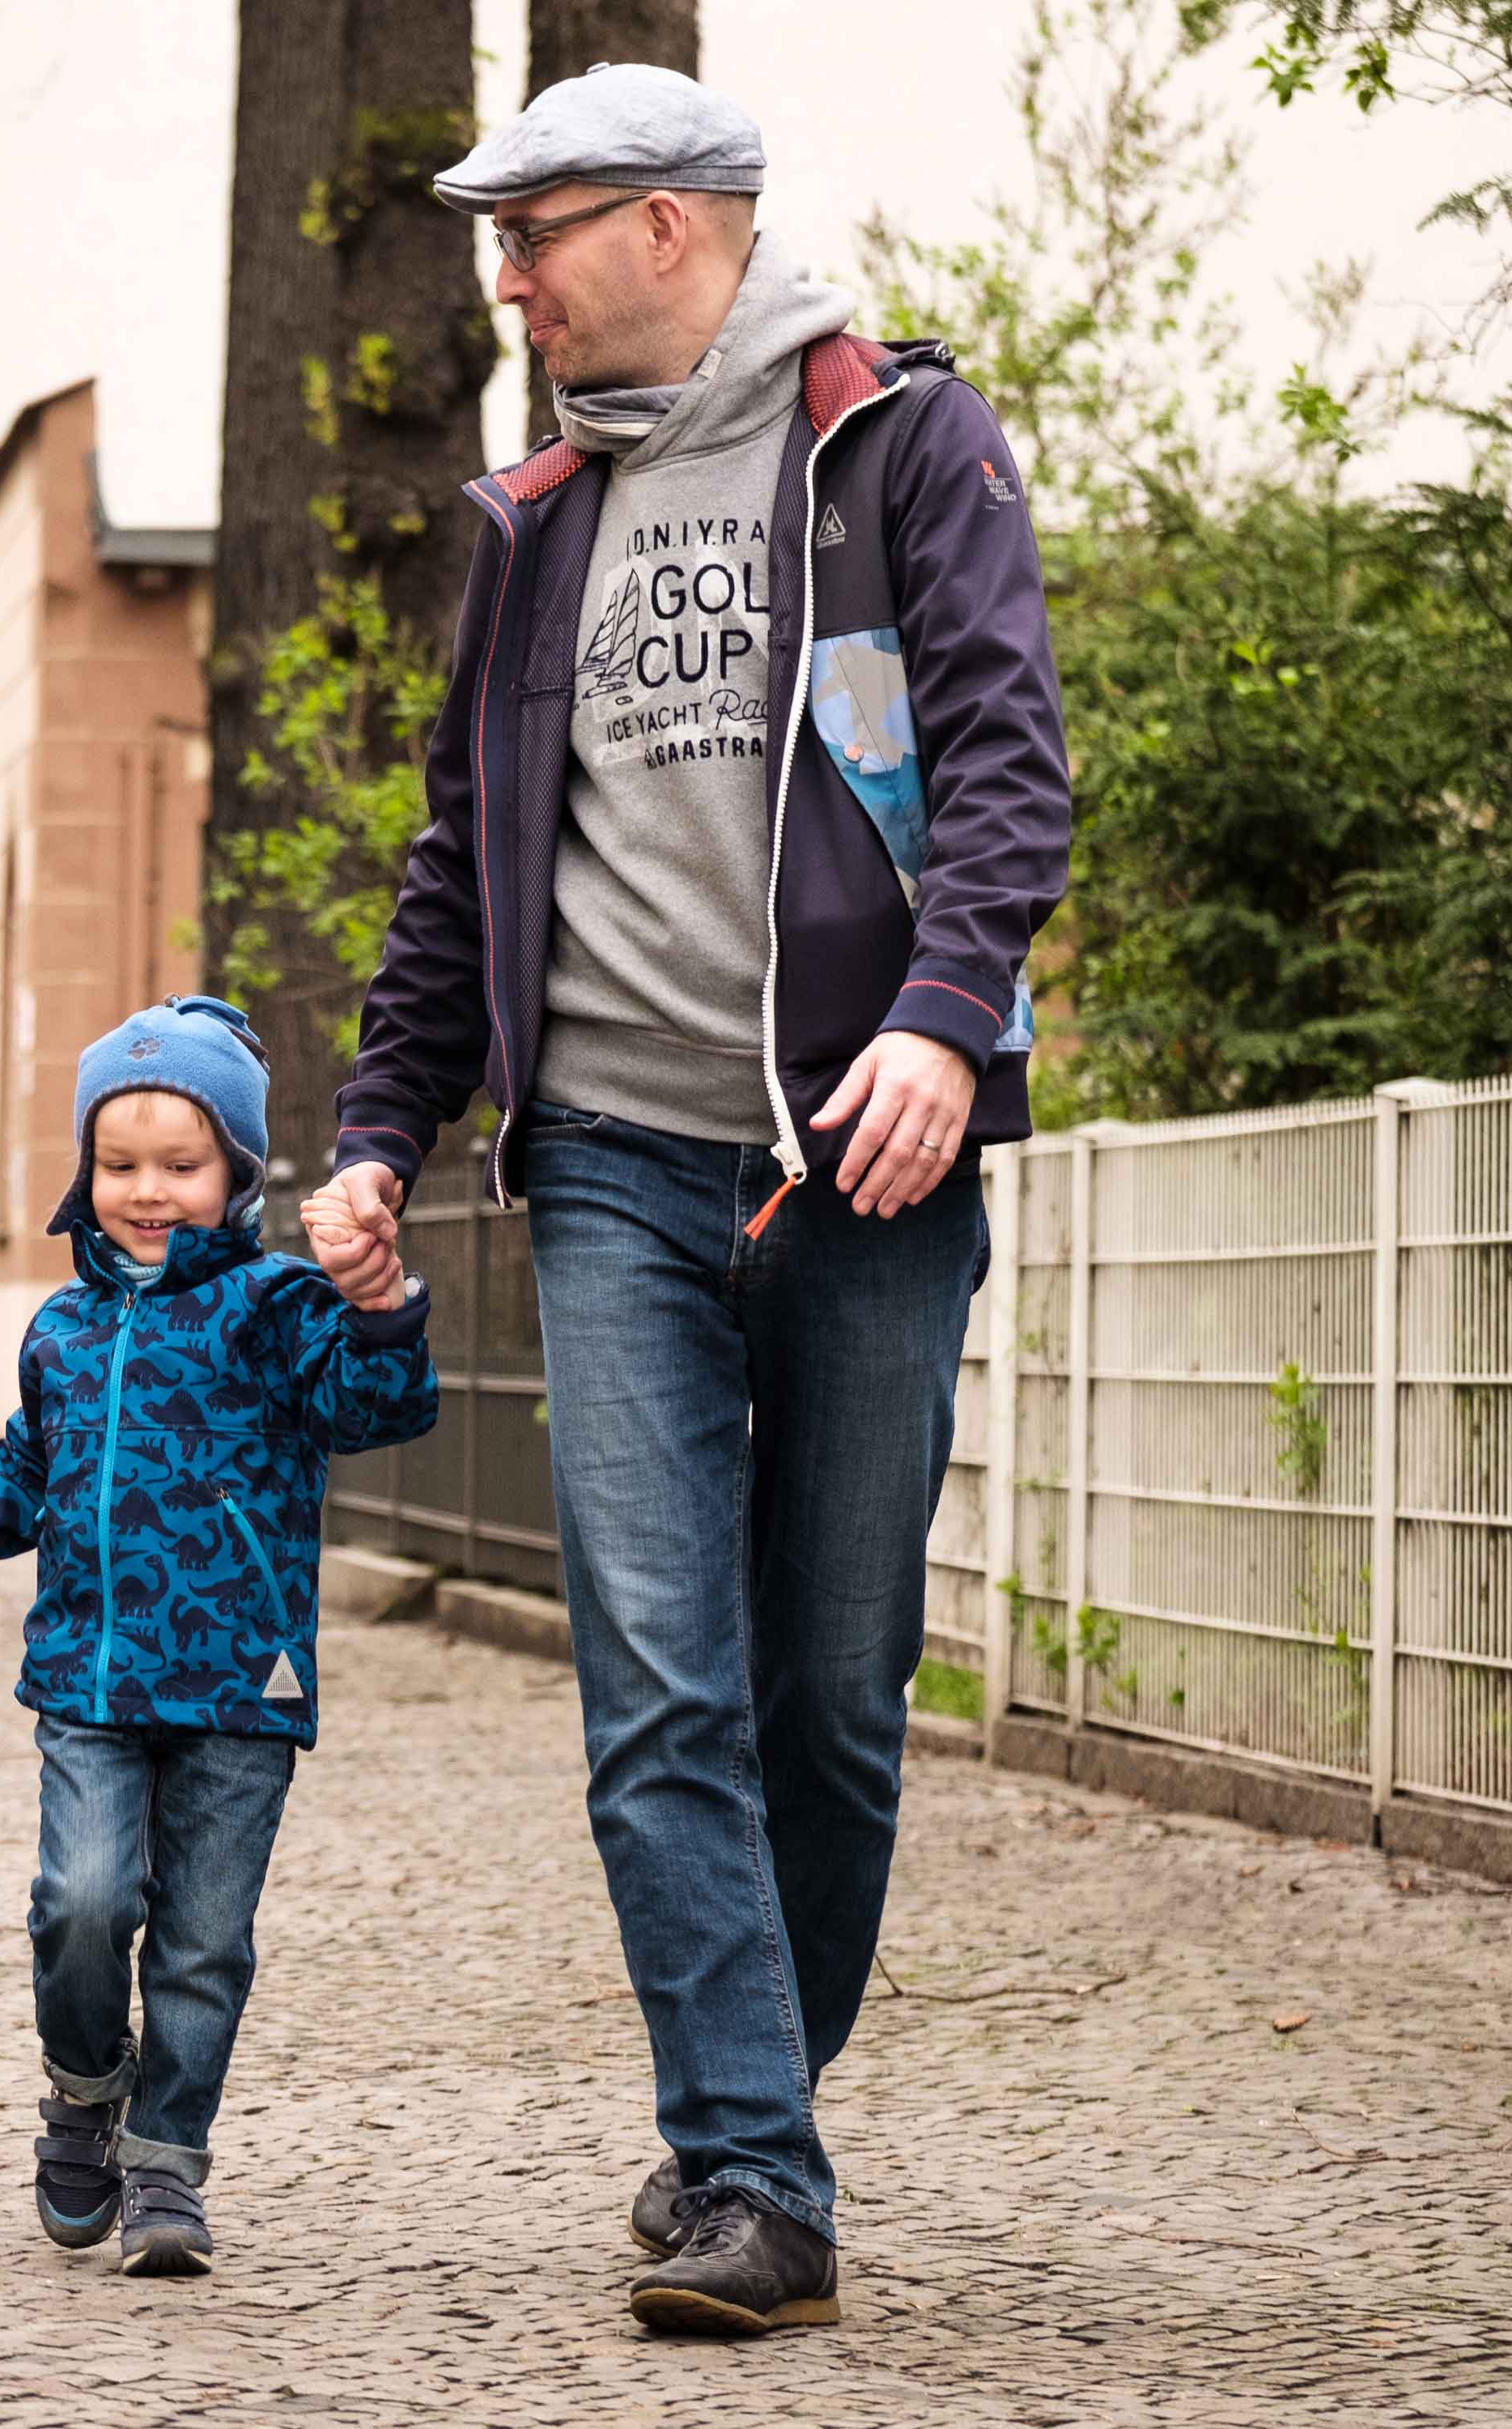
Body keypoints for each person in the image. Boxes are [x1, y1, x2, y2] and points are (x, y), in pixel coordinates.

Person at [312, 66, 1072, 2336]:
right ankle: (758, 2171)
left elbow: (1005, 759)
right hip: (617, 1179)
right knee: (657, 1685)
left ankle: (744, 2108)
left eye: (533, 234)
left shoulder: (894, 444)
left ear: (669, 224)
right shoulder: (535, 515)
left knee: (827, 1694)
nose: (508, 282)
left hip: (861, 1150)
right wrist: (379, 1130)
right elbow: (465, 857)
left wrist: (941, 1014)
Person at [0, 998, 437, 2277]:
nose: (147, 1191)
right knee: (81, 1902)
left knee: (204, 1946)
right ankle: (84, 2087)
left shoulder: (274, 1310)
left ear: (239, 1174)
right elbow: (22, 1482)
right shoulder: (62, 1331)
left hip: (238, 1686)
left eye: (181, 1165)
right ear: (86, 1173)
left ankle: (166, 2169)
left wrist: (376, 1301)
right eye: (120, 1163)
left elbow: (379, 1404)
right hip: (91, 1678)